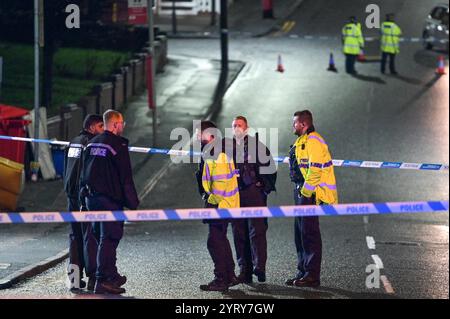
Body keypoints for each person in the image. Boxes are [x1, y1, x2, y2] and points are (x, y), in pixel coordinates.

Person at [80, 109, 139, 295]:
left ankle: (111, 274)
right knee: (110, 238)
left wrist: (83, 197)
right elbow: (125, 176)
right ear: (115, 124)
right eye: (122, 123)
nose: (123, 126)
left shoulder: (91, 143)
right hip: (109, 200)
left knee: (101, 238)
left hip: (91, 199)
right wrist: (133, 202)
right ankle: (103, 280)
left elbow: (83, 172)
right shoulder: (117, 144)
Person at [286, 110, 338, 288]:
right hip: (301, 191)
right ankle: (303, 271)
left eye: (294, 123)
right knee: (299, 234)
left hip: (309, 193)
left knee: (309, 234)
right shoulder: (302, 140)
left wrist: (306, 192)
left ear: (303, 124)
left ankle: (312, 275)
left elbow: (314, 170)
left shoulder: (314, 141)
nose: (292, 126)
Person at [229, 116, 277, 284]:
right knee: (239, 233)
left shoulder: (258, 146)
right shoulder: (228, 148)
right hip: (235, 195)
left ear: (247, 128)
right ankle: (245, 271)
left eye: (239, 125)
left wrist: (262, 186)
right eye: (234, 125)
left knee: (257, 231)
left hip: (253, 193)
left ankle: (259, 267)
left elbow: (270, 168)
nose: (237, 128)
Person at [195, 120, 240, 292]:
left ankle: (221, 278)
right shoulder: (214, 151)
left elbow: (219, 188)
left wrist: (209, 199)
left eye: (199, 133)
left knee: (214, 241)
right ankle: (229, 275)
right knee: (220, 238)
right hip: (224, 204)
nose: (198, 136)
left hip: (221, 205)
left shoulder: (218, 154)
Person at [63, 114, 104, 292]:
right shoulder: (92, 144)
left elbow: (66, 169)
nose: (103, 130)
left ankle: (73, 280)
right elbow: (89, 172)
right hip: (84, 196)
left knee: (74, 237)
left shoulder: (73, 142)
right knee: (91, 238)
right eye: (101, 126)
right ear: (92, 127)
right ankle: (93, 279)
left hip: (71, 196)